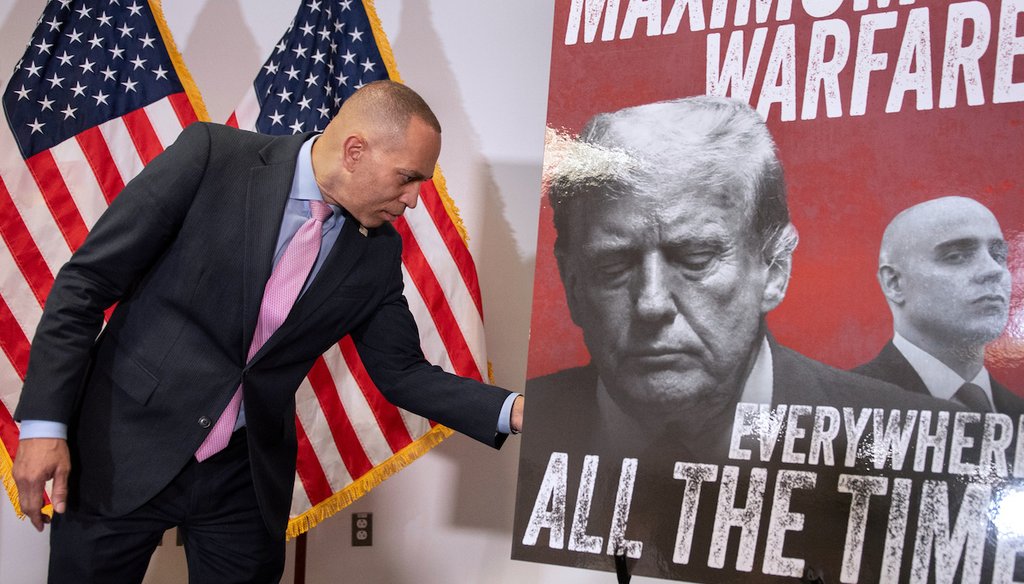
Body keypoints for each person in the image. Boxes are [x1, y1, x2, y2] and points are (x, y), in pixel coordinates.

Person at [12, 80, 523, 583]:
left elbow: (403, 372)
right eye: (407, 178)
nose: (413, 200)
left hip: (243, 479)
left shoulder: (378, 251)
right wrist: (42, 426)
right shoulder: (213, 157)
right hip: (122, 445)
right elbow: (87, 284)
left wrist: (513, 411)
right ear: (355, 150)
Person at [515, 96, 954, 581]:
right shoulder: (519, 434)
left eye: (696, 257)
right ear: (573, 286)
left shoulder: (925, 450)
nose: (652, 303)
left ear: (774, 270)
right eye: (614, 265)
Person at [853, 196, 1022, 416]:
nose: (994, 270)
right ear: (894, 283)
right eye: (956, 256)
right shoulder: (845, 402)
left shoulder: (1018, 414)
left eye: (998, 255)